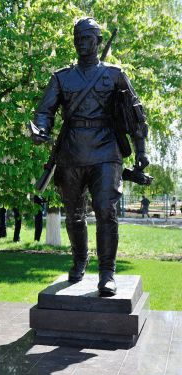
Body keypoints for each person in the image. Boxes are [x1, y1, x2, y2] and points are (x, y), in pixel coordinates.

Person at [32, 17, 149, 296]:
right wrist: (40, 129)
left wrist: (141, 152)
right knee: (73, 214)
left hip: (107, 151)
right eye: (78, 39)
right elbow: (44, 112)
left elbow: (136, 115)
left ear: (97, 41)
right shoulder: (62, 77)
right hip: (71, 152)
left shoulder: (114, 74)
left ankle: (107, 272)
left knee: (106, 210)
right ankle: (80, 259)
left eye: (87, 39)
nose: (82, 44)